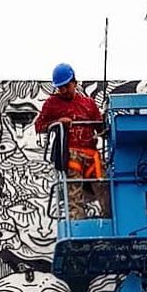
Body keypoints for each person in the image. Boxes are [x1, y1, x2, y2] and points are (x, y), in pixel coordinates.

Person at [35, 63, 107, 218]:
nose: (63, 90)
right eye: (60, 87)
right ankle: (76, 221)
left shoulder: (88, 104)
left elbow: (101, 128)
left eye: (66, 86)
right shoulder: (52, 104)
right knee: (74, 189)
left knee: (104, 184)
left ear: (74, 82)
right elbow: (39, 126)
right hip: (71, 154)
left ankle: (110, 218)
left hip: (91, 154)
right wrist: (58, 122)